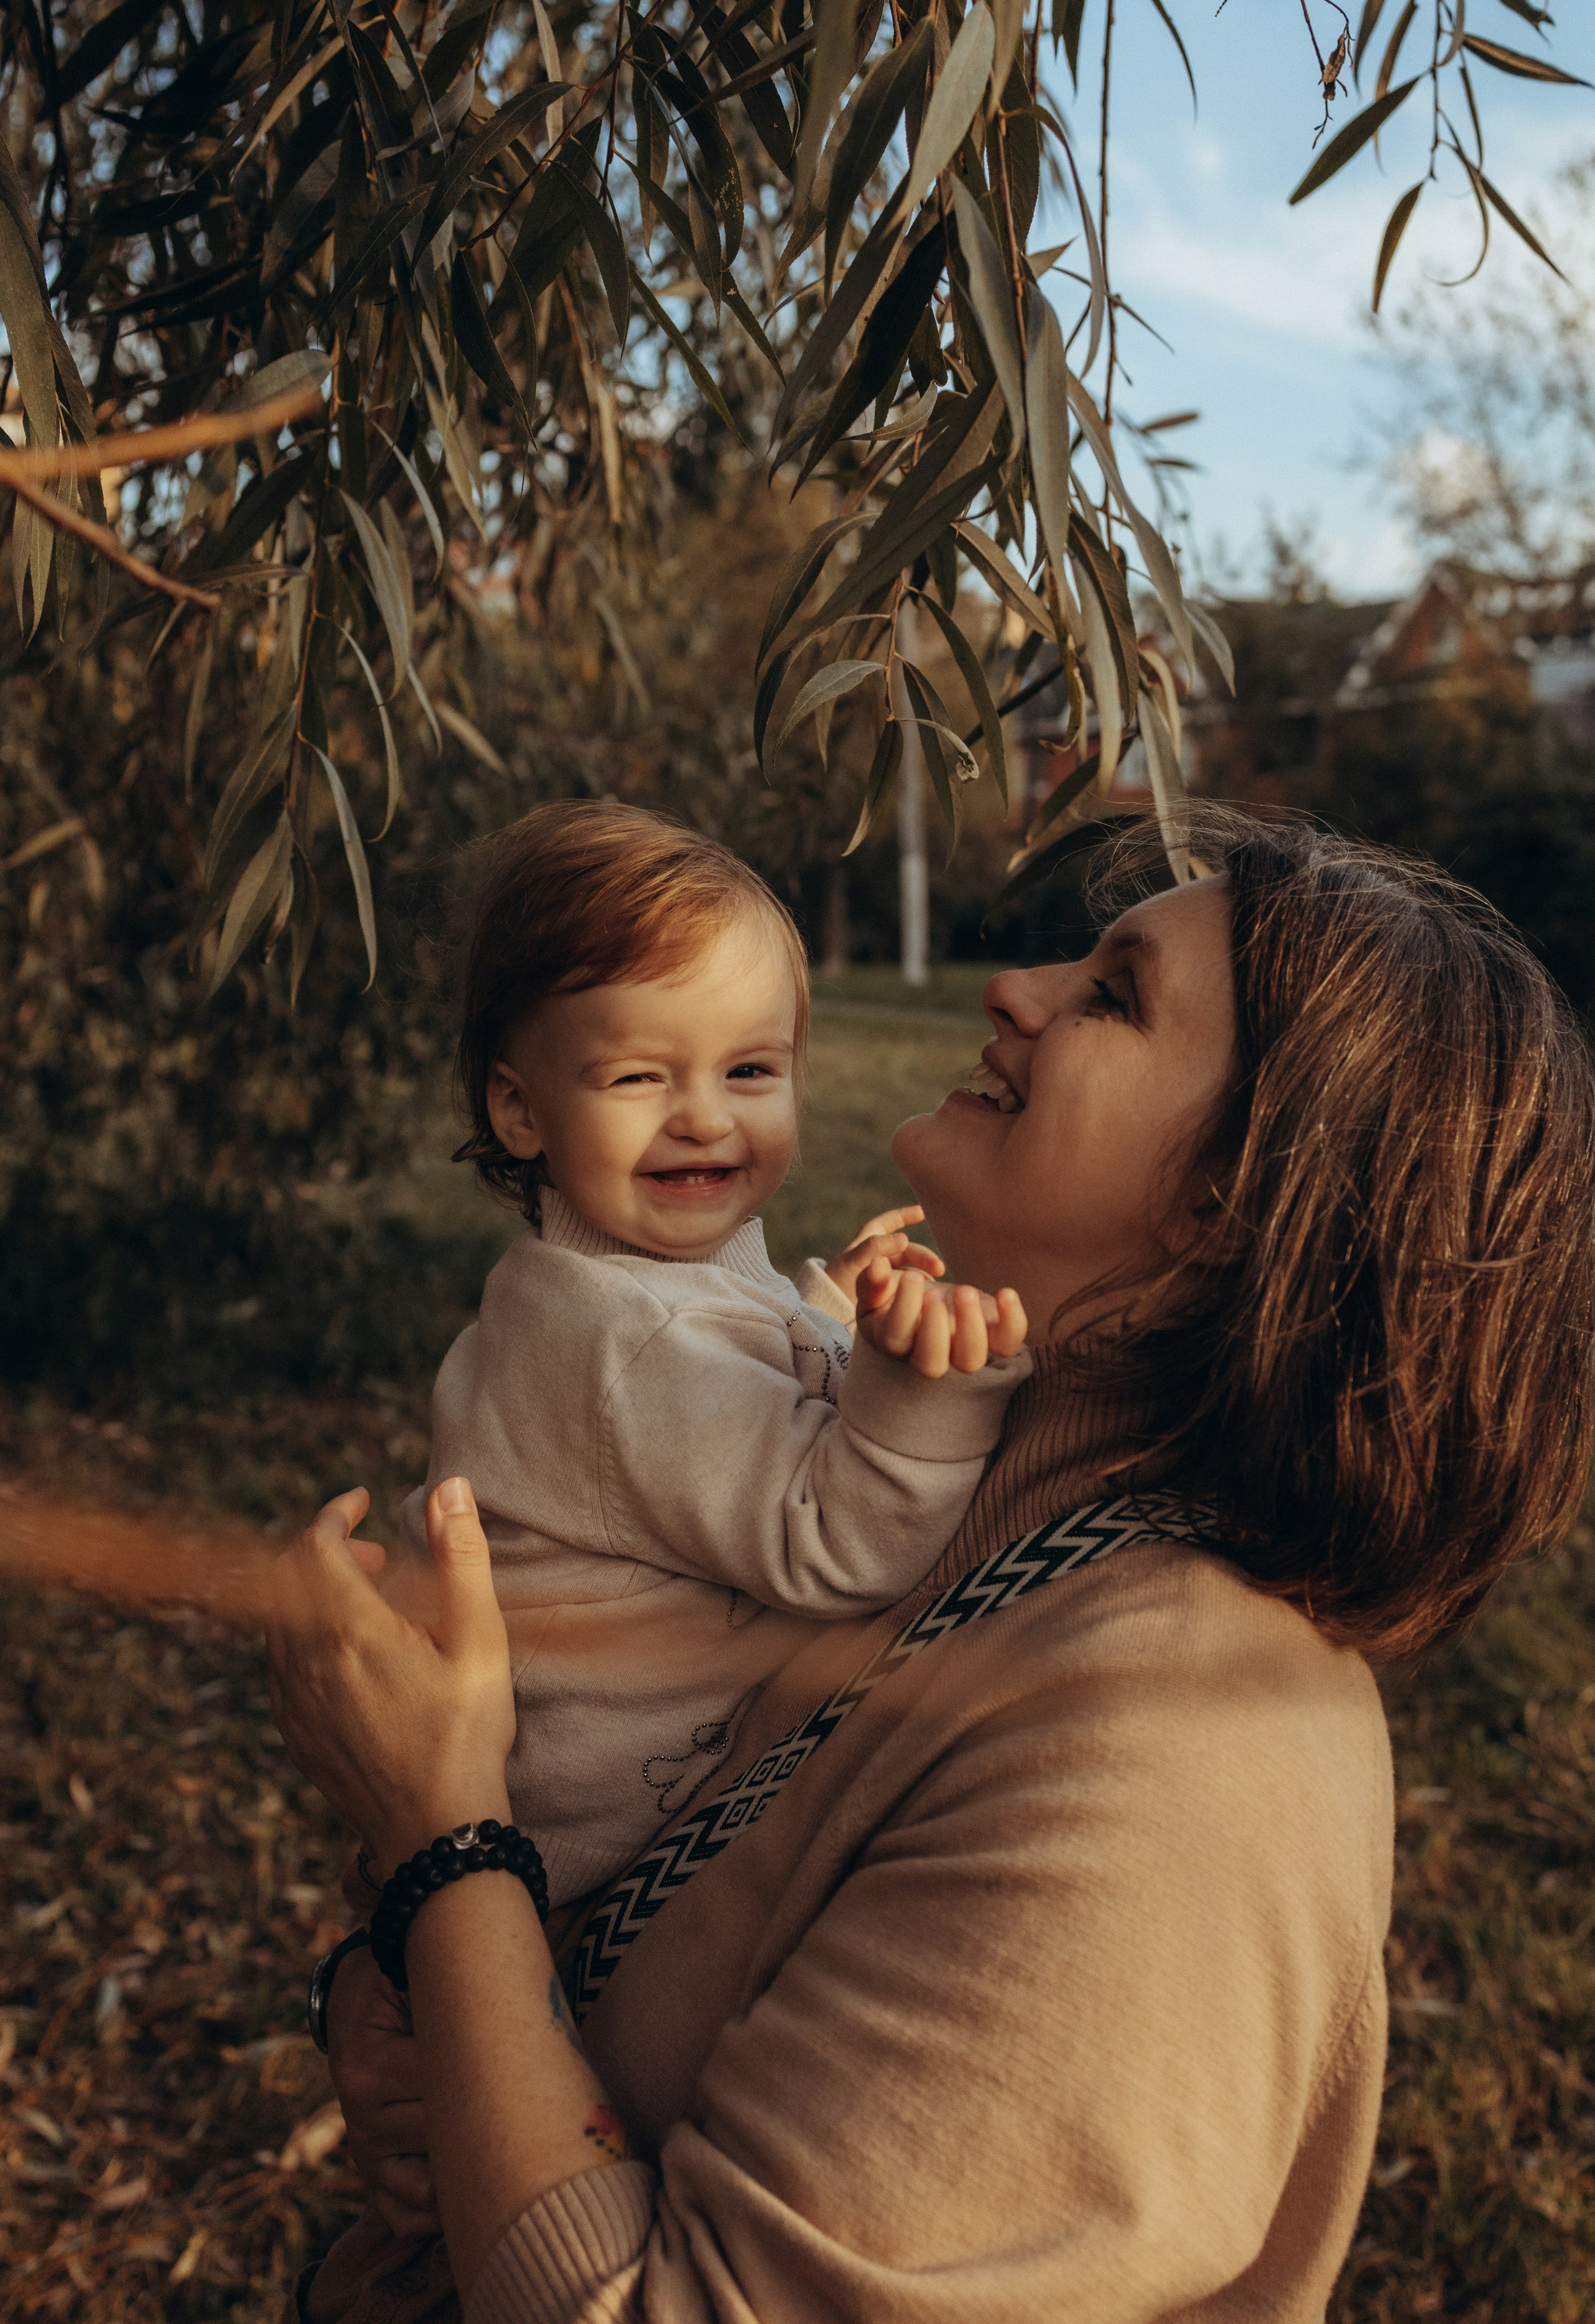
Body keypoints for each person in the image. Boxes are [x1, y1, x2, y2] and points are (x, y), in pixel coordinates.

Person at [267, 808, 1595, 2323]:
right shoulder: (961, 1484)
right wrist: (407, 1996)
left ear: (1231, 1202)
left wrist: (442, 1851)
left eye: (1108, 994)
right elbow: (660, 1843)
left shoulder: (1176, 1777)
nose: (1010, 988)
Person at [390, 801, 1030, 1907]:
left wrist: (824, 1311)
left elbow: (717, 1376)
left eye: (748, 1072)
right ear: (520, 1108)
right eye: (640, 1078)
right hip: (576, 1867)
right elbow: (833, 1543)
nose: (701, 1119)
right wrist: (927, 1386)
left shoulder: (606, 1290)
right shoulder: (627, 1347)